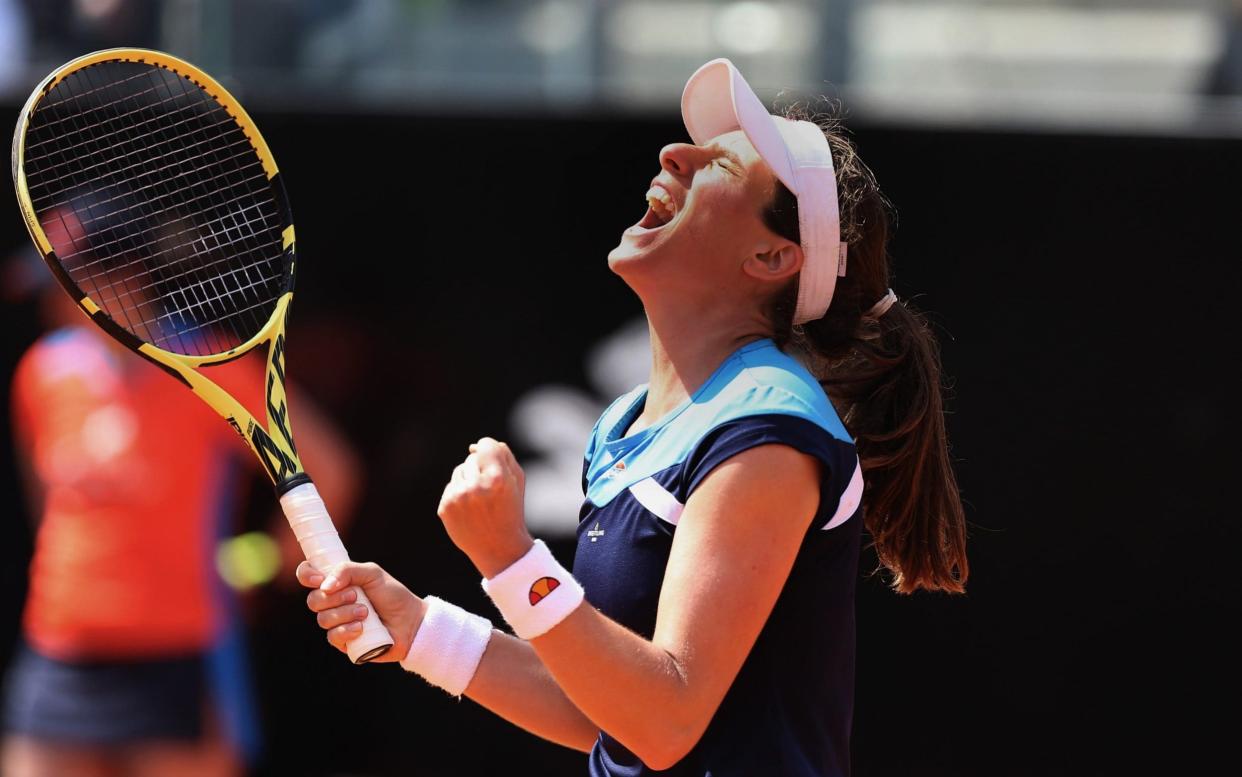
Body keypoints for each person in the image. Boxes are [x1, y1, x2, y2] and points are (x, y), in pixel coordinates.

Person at [297, 58, 968, 776]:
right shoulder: (627, 424)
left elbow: (666, 716)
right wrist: (422, 631)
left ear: (773, 255)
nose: (673, 153)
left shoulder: (768, 424)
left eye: (717, 165)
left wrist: (512, 559)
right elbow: (606, 711)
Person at [1, 244, 363, 777]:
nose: (52, 304)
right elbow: (46, 505)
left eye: (66, 284)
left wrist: (260, 562)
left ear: (122, 278)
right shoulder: (42, 371)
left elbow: (330, 470)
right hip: (61, 648)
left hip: (180, 652)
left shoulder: (211, 366)